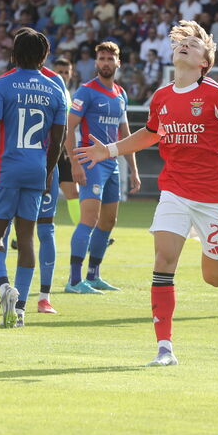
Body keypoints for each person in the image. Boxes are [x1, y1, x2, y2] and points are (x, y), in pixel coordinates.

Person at [75, 20, 218, 367]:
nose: (185, 46)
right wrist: (110, 151)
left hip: (214, 197)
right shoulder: (162, 97)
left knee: (216, 277)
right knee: (164, 262)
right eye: (182, 43)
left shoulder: (217, 93)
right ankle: (164, 348)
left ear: (204, 63)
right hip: (175, 191)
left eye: (194, 45)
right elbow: (151, 134)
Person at [0, 28, 66, 329]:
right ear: (45, 56)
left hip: (6, 170)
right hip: (36, 172)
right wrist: (46, 174)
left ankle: (4, 287)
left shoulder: (2, 85)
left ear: (14, 55)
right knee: (27, 238)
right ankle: (19, 310)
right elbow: (58, 142)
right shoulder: (55, 89)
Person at [64, 41, 139, 294]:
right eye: (102, 59)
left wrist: (134, 169)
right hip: (90, 162)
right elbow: (69, 129)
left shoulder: (121, 93)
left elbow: (125, 132)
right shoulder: (86, 91)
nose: (105, 63)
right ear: (96, 63)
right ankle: (74, 281)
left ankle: (93, 275)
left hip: (112, 164)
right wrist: (75, 163)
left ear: (119, 62)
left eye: (110, 59)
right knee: (89, 219)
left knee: (109, 221)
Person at [52, 57, 80, 225]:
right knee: (40, 196)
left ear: (71, 74)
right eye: (59, 72)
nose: (63, 75)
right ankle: (20, 239)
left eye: (66, 72)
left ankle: (85, 238)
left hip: (63, 152)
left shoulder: (68, 94)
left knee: (73, 194)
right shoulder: (49, 92)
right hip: (48, 152)